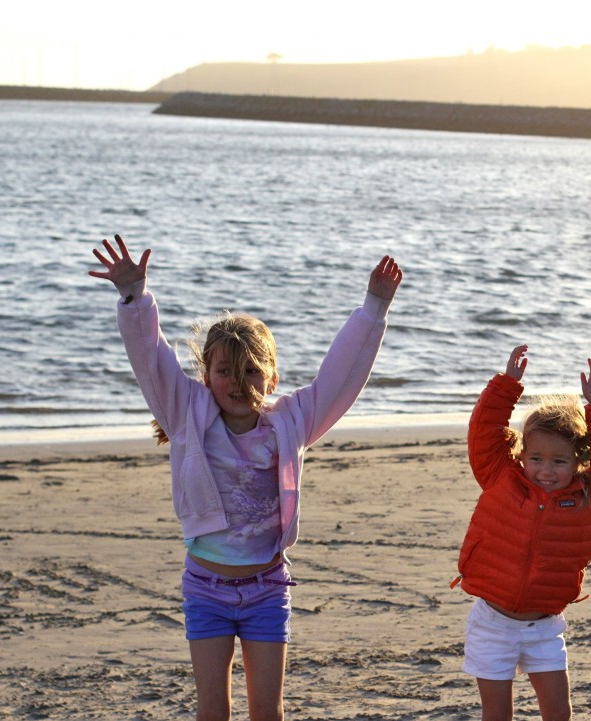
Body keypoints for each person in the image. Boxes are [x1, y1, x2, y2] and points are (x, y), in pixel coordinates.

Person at [89, 234, 402, 721]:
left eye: (251, 371)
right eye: (224, 371)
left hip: (267, 588)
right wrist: (134, 298)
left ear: (271, 378)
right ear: (206, 375)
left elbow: (339, 379)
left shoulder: (292, 422)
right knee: (212, 709)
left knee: (267, 712)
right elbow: (150, 359)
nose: (238, 382)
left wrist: (373, 308)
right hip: (205, 588)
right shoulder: (185, 412)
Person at [451, 344, 591, 721]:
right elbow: (484, 433)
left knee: (559, 713)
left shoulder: (589, 499)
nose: (545, 470)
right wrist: (506, 386)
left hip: (544, 628)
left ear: (578, 462)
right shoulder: (500, 478)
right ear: (521, 455)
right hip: (492, 623)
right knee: (496, 715)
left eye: (558, 461)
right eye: (535, 459)